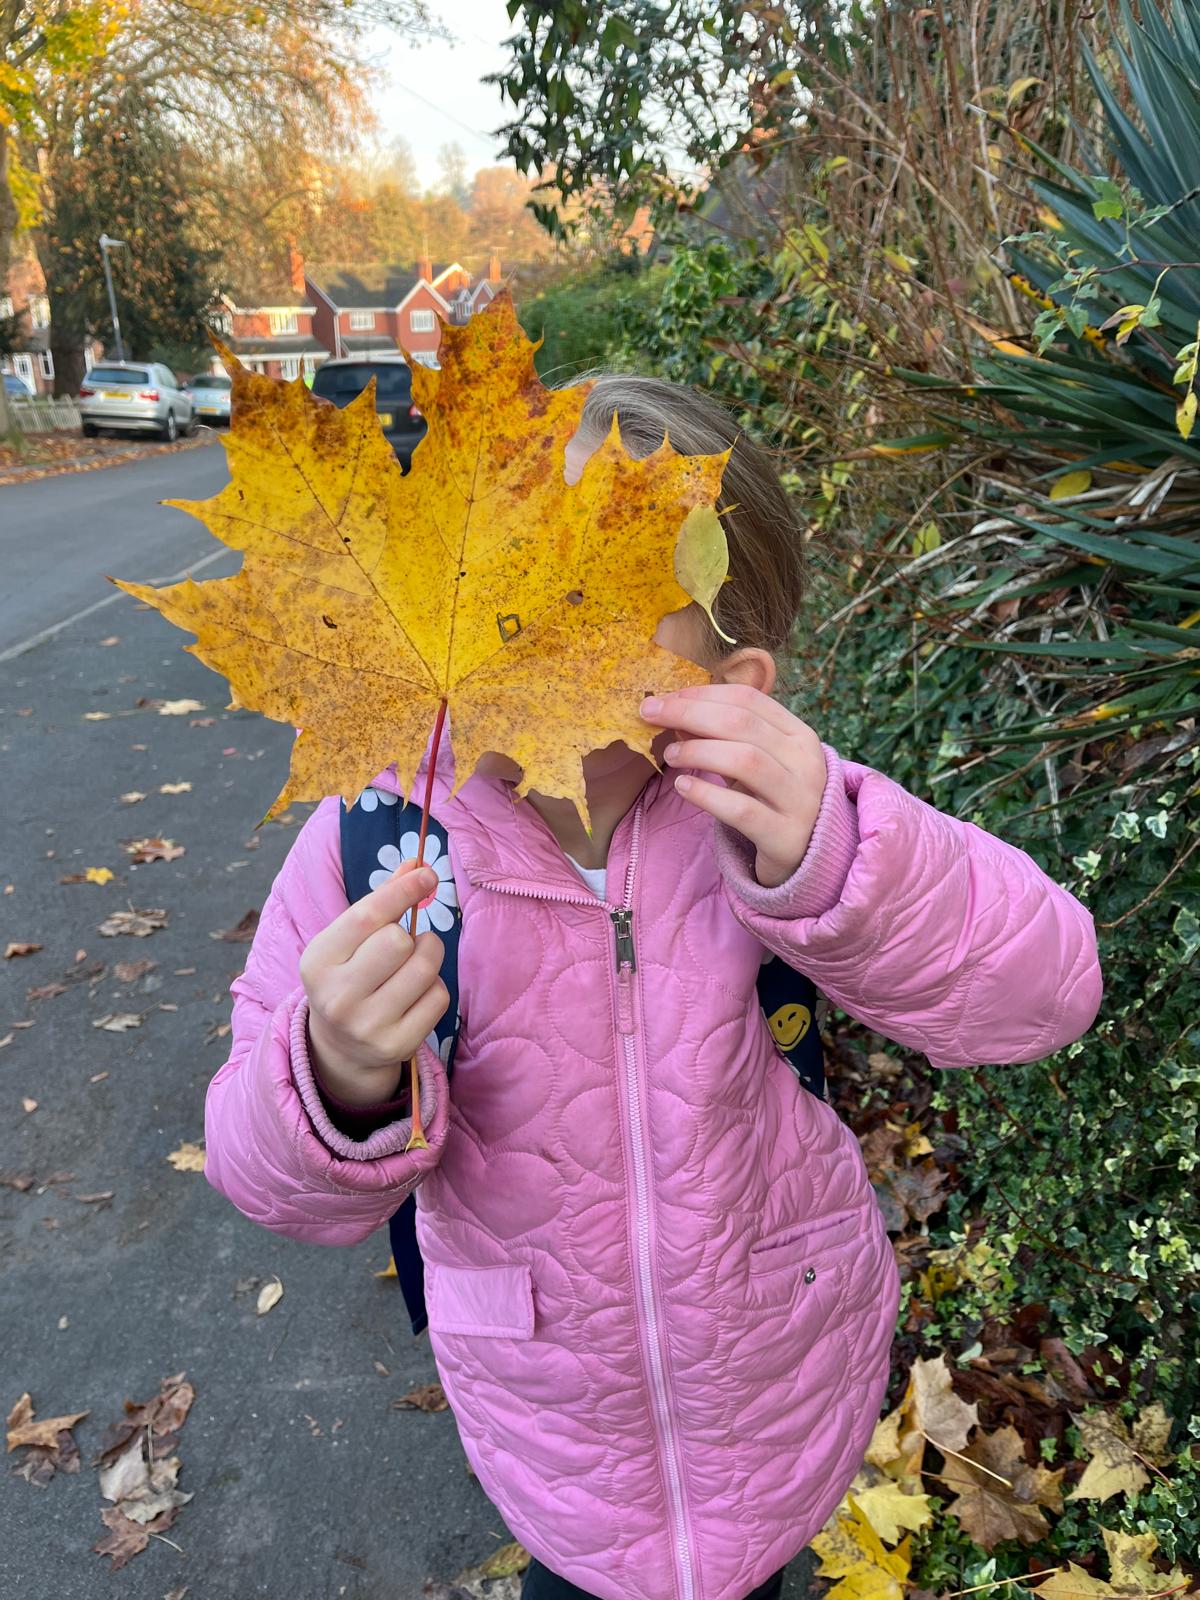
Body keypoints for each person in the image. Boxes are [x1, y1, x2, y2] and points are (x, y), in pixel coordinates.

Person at [203, 373, 1103, 1600]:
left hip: (779, 1384)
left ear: (730, 681)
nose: (534, 610)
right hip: (556, 1435)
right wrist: (336, 1072)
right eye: (518, 559)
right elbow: (261, 1174)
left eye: (607, 584)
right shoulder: (382, 842)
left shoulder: (781, 813)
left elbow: (1048, 992)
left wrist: (842, 866)